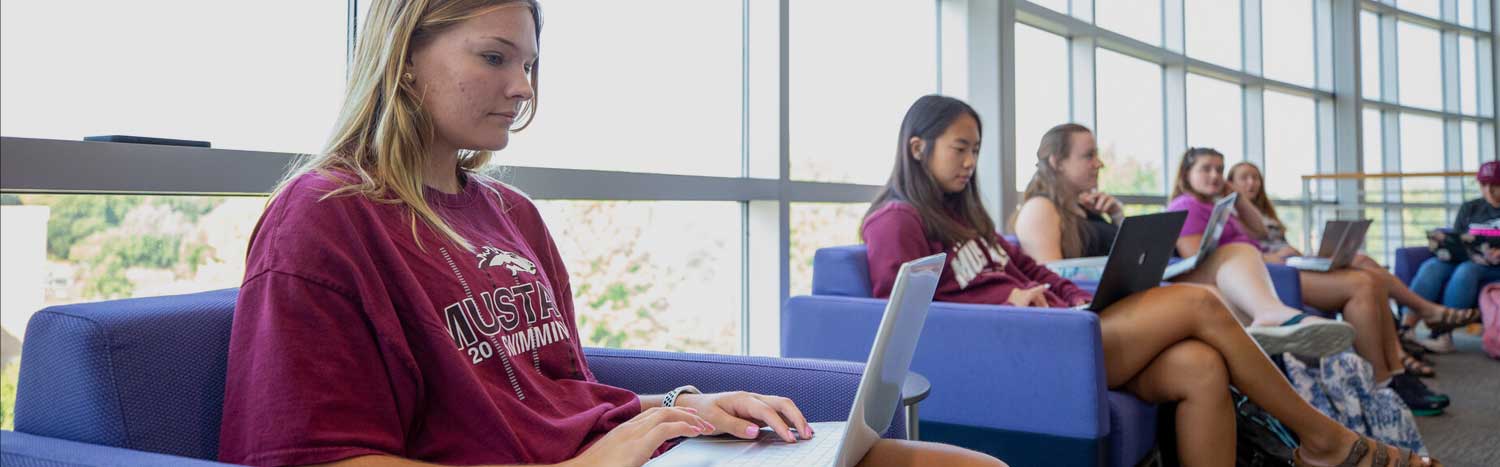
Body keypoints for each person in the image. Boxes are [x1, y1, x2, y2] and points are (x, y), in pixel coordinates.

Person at [217, 2, 1005, 466]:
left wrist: (684, 405)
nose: (523, 86)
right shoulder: (324, 220)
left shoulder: (508, 214)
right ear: (401, 54)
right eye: (494, 57)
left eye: (528, 63)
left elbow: (549, 394)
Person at [862, 95, 1436, 467]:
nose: (970, 162)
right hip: (1022, 351)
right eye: (960, 148)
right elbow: (902, 316)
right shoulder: (896, 220)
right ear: (918, 147)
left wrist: (1068, 297)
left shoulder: (967, 219)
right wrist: (1010, 303)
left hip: (1057, 329)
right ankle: (1323, 439)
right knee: (1197, 302)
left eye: (976, 150)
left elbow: (1030, 270)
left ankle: (1318, 440)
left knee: (1199, 366)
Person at [1012, 124, 1354, 360]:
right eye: (1089, 155)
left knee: (1237, 251)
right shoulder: (1040, 209)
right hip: (1103, 303)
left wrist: (1117, 216)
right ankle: (1274, 335)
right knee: (1218, 302)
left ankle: (1272, 314)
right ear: (1057, 162)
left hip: (1130, 289)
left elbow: (1123, 252)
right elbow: (1052, 278)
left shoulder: (1087, 207)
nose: (1099, 163)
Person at [1169, 148, 1446, 415]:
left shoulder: (1216, 205)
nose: (1215, 175)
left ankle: (1395, 373)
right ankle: (1384, 383)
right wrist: (1270, 260)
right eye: (1206, 169)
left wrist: (1237, 198)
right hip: (1256, 277)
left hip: (1265, 266)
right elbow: (1200, 259)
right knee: (1361, 285)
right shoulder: (1187, 206)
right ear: (1186, 174)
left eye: (1219, 169)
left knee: (1370, 281)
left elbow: (1260, 231)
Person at [1227, 161, 1477, 372]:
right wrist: (1274, 257)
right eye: (1244, 178)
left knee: (1363, 261)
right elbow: (1246, 254)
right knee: (1365, 277)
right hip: (1276, 271)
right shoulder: (1232, 215)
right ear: (1232, 184)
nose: (1252, 183)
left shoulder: (1263, 213)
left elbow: (1278, 244)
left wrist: (1301, 254)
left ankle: (1402, 342)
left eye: (1255, 177)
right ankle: (1419, 320)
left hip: (1292, 261)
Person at [1403, 161, 1500, 352]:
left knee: (1466, 271)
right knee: (1432, 266)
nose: (1488, 190)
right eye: (1484, 185)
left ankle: (1443, 334)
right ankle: (1407, 328)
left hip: (1493, 266)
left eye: (1495, 185)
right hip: (1468, 257)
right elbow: (1459, 239)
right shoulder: (1470, 208)